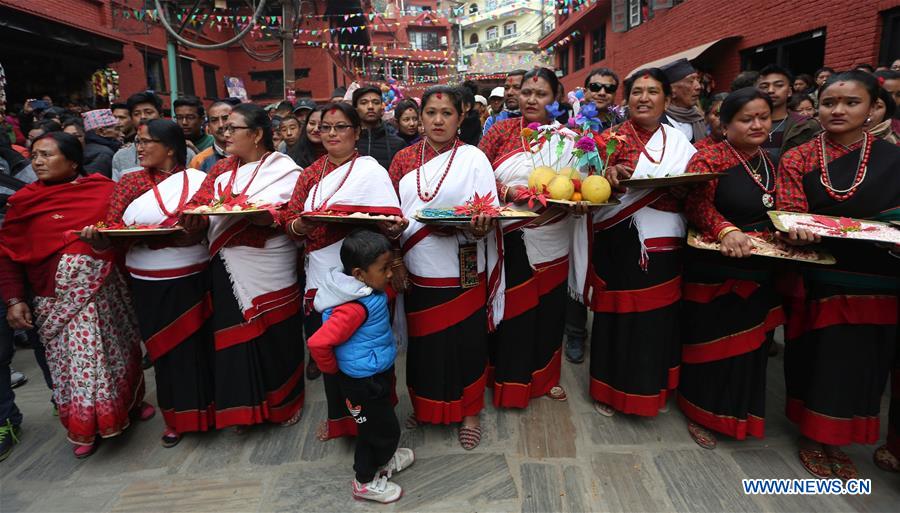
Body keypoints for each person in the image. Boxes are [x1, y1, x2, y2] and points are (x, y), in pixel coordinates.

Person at [775, 70, 899, 480]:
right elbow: (790, 211)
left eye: (851, 102)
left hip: (881, 274)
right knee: (820, 356)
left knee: (865, 360)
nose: (838, 110)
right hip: (822, 271)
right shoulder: (800, 157)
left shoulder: (892, 157)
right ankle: (813, 436)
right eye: (829, 103)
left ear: (873, 107)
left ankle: (841, 438)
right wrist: (795, 230)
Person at [0, 132, 152, 458]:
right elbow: (8, 255)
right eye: (34, 155)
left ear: (72, 162)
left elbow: (127, 237)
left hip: (107, 294)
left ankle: (130, 404)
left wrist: (102, 243)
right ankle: (86, 427)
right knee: (74, 365)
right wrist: (14, 299)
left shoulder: (103, 192)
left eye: (46, 155)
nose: (37, 162)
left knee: (117, 354)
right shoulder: (23, 203)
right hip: (53, 299)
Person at [81, 119, 212, 448]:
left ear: (169, 148)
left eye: (146, 141)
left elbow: (211, 221)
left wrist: (195, 229)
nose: (138, 148)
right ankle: (175, 419)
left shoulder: (199, 180)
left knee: (197, 349)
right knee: (164, 352)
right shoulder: (129, 182)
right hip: (147, 281)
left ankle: (208, 414)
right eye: (137, 142)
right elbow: (114, 229)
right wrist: (99, 240)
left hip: (193, 275)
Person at [391, 85, 503, 450]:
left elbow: (488, 211)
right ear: (420, 117)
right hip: (417, 264)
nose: (438, 120)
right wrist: (395, 256)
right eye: (431, 113)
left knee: (467, 340)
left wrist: (480, 225)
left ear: (461, 117)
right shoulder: (403, 160)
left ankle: (470, 411)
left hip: (464, 261)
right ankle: (426, 404)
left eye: (447, 113)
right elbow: (390, 213)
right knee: (425, 342)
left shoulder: (474, 158)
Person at [283, 102, 403, 442]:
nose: (332, 133)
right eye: (326, 127)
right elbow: (289, 223)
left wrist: (393, 227)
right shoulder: (309, 174)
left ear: (357, 132)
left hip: (366, 276)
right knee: (333, 351)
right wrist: (303, 224)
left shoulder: (372, 171)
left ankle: (380, 416)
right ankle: (342, 421)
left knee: (371, 350)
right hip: (322, 276)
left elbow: (392, 225)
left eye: (340, 127)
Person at [182, 103, 305, 430]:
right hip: (228, 262)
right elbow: (198, 206)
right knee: (235, 335)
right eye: (222, 126)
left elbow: (293, 215)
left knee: (278, 335)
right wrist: (193, 218)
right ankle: (244, 410)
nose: (224, 132)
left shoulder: (286, 170)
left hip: (272, 262)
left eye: (232, 127)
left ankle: (286, 402)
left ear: (257, 134)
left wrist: (268, 217)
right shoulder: (220, 170)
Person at [584, 68, 697, 417]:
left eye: (652, 91)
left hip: (666, 243)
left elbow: (698, 189)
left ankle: (651, 388)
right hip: (618, 240)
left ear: (667, 98)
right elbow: (586, 187)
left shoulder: (680, 142)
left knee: (657, 319)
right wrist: (607, 176)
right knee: (616, 316)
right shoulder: (608, 140)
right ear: (627, 99)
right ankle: (608, 389)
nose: (644, 98)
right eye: (636, 92)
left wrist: (685, 189)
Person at [678, 88, 785, 449]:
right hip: (715, 265)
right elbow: (697, 205)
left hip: (763, 265)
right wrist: (726, 230)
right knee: (711, 344)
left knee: (752, 348)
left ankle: (741, 415)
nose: (757, 125)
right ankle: (700, 411)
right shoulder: (708, 157)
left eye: (763, 118)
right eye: (746, 119)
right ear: (725, 126)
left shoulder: (774, 160)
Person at [480, 68, 575, 414]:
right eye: (526, 92)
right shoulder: (501, 131)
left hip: (554, 233)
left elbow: (582, 180)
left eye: (541, 94)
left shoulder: (570, 137)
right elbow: (476, 174)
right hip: (510, 235)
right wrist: (508, 191)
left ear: (556, 98)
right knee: (513, 310)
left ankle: (545, 379)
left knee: (550, 310)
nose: (531, 99)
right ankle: (507, 381)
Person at [308, 230, 414, 504]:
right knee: (377, 432)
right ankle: (364, 481)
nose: (389, 274)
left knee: (381, 422)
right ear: (358, 274)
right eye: (384, 269)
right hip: (362, 382)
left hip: (374, 371)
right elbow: (318, 343)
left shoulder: (368, 290)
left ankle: (384, 459)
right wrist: (333, 370)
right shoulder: (354, 308)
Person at [113, 92, 195, 181]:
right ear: (132, 119)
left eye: (148, 112)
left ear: (161, 116)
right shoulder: (121, 157)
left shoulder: (185, 153)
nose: (143, 117)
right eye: (136, 114)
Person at [756, 64, 820, 163]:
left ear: (789, 91)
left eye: (779, 85)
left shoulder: (807, 125)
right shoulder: (747, 125)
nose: (770, 90)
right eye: (764, 86)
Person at [353, 86, 405, 169]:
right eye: (364, 103)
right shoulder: (348, 143)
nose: (370, 106)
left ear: (382, 108)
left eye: (376, 102)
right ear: (356, 109)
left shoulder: (398, 144)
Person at [661, 58, 707, 144]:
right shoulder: (659, 124)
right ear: (671, 91)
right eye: (690, 81)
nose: (698, 86)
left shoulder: (698, 118)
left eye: (698, 80)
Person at [189, 100, 233, 172]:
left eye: (225, 118)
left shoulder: (248, 153)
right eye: (214, 120)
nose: (221, 125)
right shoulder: (199, 161)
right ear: (208, 126)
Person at [80, 109, 122, 178]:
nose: (121, 134)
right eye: (117, 129)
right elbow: (96, 181)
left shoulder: (92, 149)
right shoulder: (103, 154)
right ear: (101, 131)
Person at [482, 70, 526, 134]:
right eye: (506, 88)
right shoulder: (493, 121)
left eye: (517, 87)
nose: (509, 93)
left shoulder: (538, 120)